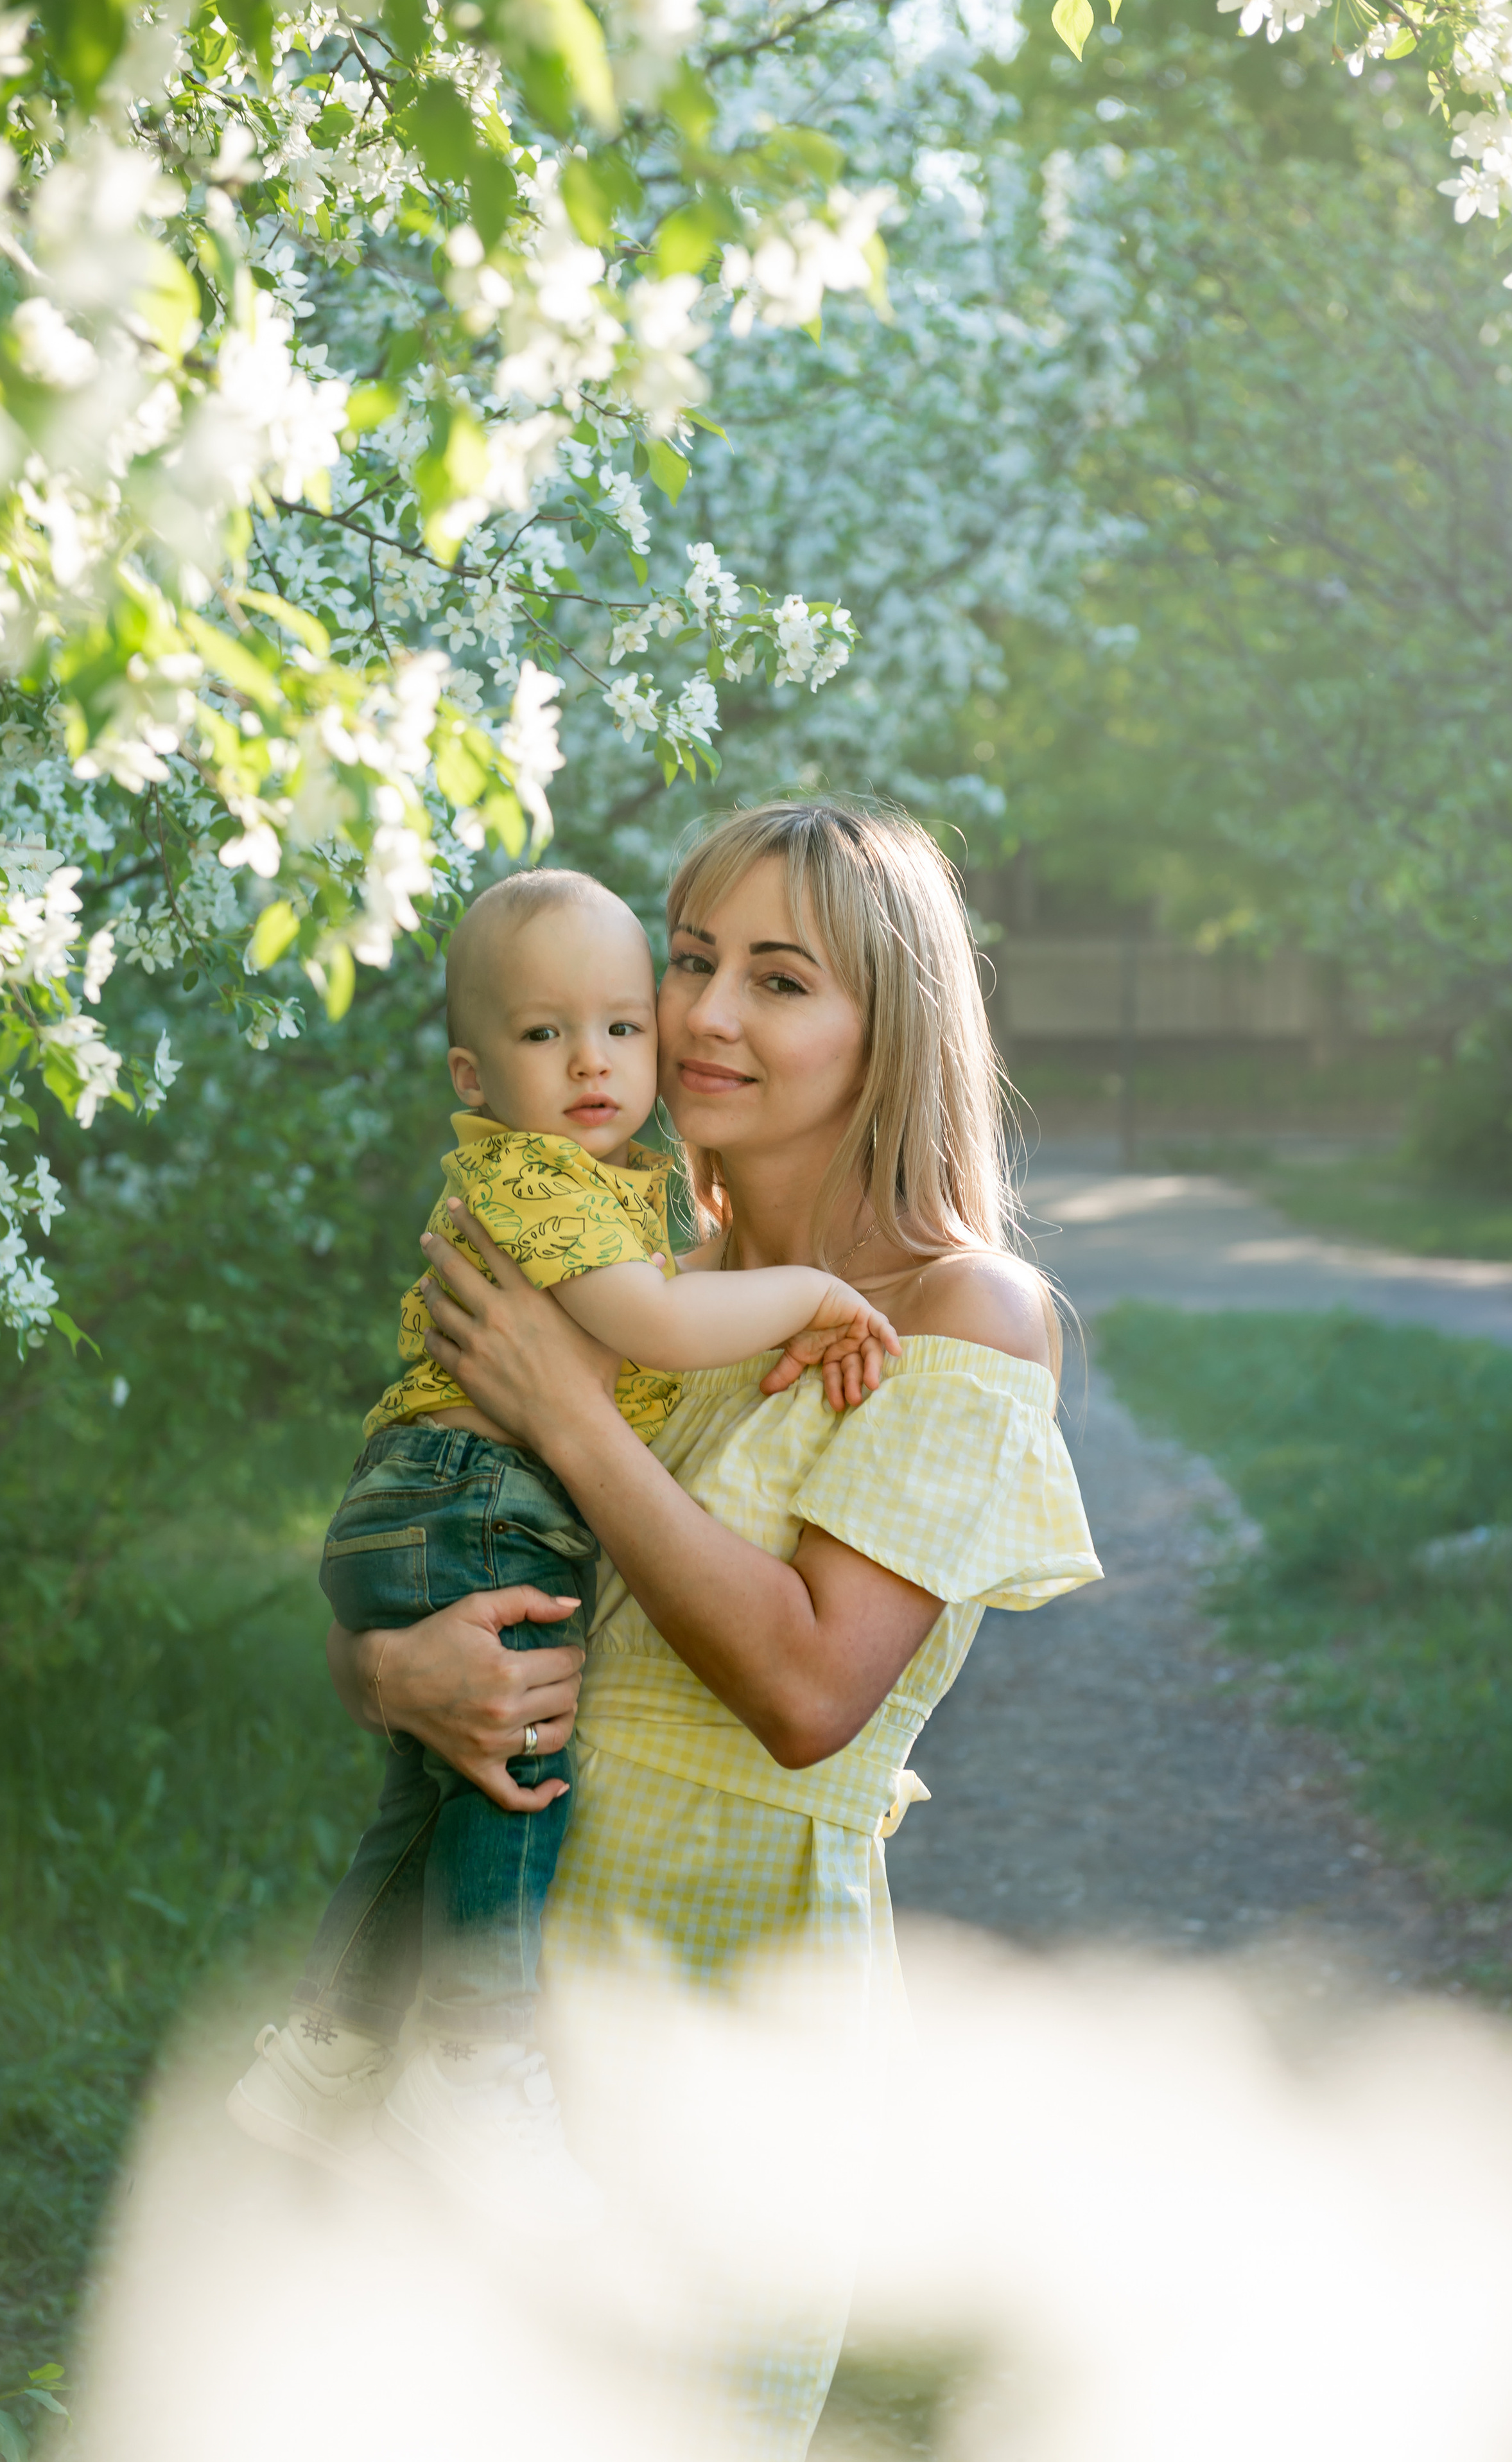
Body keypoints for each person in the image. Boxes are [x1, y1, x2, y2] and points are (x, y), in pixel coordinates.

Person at [324, 799, 1102, 2452]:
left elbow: (810, 1686)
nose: (705, 1016)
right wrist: (392, 1671)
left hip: (728, 2015)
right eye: (689, 962)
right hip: (502, 2008)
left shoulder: (964, 1310)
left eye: (780, 978)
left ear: (887, 1027)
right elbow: (437, 1545)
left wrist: (574, 1414)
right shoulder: (646, 1285)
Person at [227, 866, 899, 2228]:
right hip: (477, 1492)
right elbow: (645, 1329)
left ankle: (328, 2044)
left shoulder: (632, 1193)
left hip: (440, 1501)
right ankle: (474, 2063)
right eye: (545, 1037)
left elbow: (813, 1691)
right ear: (476, 1077)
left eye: (615, 1027)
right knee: (518, 1781)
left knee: (436, 1795)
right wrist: (813, 1299)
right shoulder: (543, 1185)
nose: (594, 1060)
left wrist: (380, 1665)